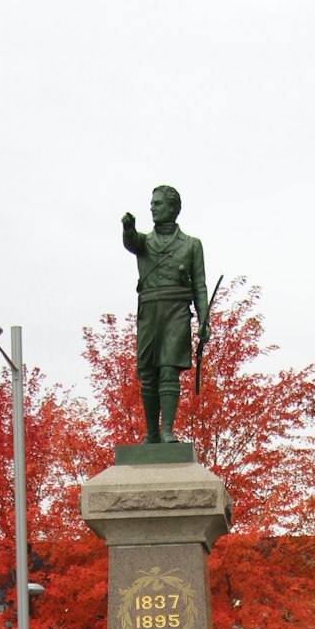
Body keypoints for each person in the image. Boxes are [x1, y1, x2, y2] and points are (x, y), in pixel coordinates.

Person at [121, 186, 210, 444]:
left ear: (172, 208)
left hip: (176, 311)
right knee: (147, 373)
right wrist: (127, 227)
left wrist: (204, 319)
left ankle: (167, 431)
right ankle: (151, 433)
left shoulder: (191, 245)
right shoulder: (144, 242)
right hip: (149, 312)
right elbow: (131, 241)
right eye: (151, 203)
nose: (152, 207)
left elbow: (200, 285)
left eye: (158, 203)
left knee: (169, 371)